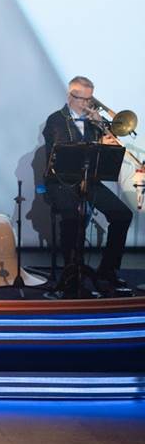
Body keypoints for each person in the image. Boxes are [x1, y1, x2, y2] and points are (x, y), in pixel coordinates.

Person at [42, 75, 133, 293]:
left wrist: (102, 128)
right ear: (70, 97)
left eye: (90, 99)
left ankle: (108, 270)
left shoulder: (94, 122)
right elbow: (65, 148)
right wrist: (95, 138)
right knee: (73, 217)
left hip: (88, 181)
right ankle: (72, 273)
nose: (87, 104)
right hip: (62, 182)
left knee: (122, 215)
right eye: (83, 99)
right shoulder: (56, 120)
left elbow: (103, 152)